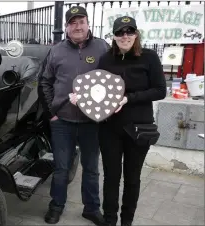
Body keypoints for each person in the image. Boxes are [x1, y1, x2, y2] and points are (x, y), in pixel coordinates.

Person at [72, 16, 167, 226]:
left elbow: (160, 90)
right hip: (110, 128)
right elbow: (97, 88)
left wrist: (128, 98)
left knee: (132, 179)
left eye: (129, 31)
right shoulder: (106, 59)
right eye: (120, 33)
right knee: (111, 178)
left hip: (138, 127)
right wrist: (81, 97)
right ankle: (109, 220)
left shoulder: (149, 57)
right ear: (114, 36)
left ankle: (126, 221)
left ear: (136, 34)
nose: (125, 36)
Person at [40, 5, 109, 225]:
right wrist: (53, 111)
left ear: (88, 24)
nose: (77, 26)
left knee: (91, 168)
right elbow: (45, 81)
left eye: (81, 22)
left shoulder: (102, 47)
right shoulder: (56, 50)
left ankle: (91, 208)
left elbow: (113, 79)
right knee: (61, 168)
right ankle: (56, 205)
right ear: (66, 27)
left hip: (93, 121)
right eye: (73, 23)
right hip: (62, 121)